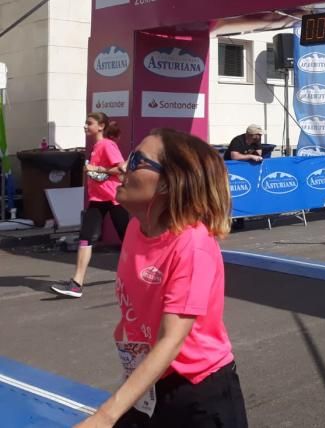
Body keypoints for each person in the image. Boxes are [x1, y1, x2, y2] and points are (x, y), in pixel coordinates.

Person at [76, 129, 247, 427]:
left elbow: (171, 341)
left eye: (137, 161)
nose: (123, 168)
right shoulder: (133, 229)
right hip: (150, 381)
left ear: (169, 182)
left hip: (198, 392)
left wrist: (104, 417)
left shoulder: (193, 245)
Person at [51, 113, 128, 299]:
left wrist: (98, 169)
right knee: (85, 238)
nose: (85, 126)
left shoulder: (107, 145)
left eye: (89, 123)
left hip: (114, 199)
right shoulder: (96, 146)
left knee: (130, 239)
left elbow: (122, 168)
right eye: (85, 123)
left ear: (101, 126)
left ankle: (153, 275)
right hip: (98, 200)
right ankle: (76, 284)